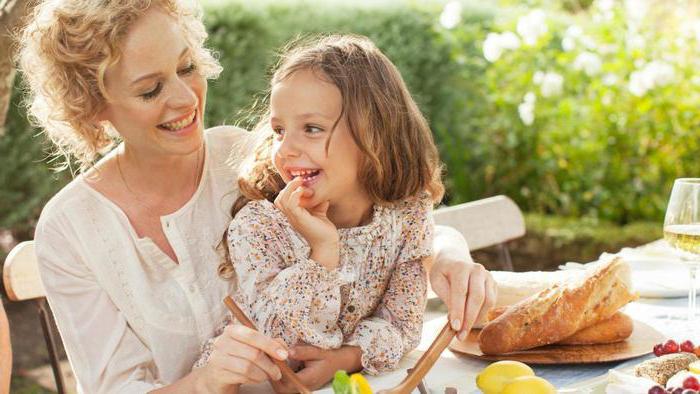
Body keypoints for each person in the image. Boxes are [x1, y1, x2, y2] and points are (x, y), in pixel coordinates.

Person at [18, 0, 496, 393]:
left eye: (187, 67)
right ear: (94, 108)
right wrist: (206, 381)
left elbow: (377, 225)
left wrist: (449, 257)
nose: (186, 99)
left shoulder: (248, 158)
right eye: (150, 90)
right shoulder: (71, 228)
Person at [196, 34, 443, 389]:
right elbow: (283, 343)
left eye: (311, 129)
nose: (286, 149)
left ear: (375, 134)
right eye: (280, 130)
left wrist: (345, 358)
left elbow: (403, 325)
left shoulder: (406, 215)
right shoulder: (260, 226)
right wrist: (322, 254)